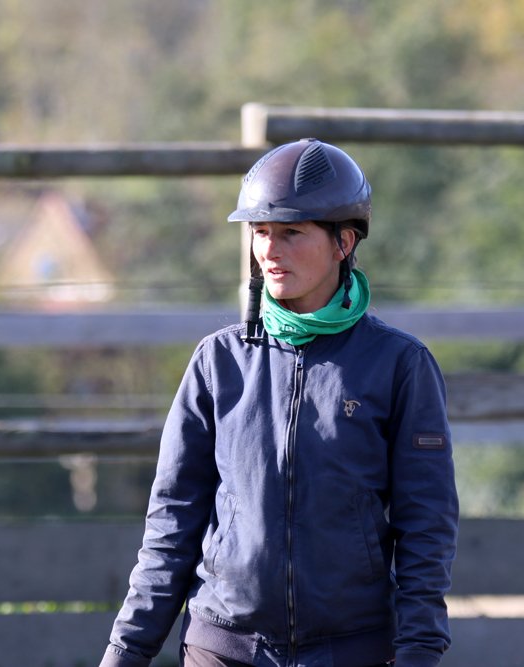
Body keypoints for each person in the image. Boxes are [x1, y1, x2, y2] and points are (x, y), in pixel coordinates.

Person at [100, 139, 458, 667]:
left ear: (343, 242)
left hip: (352, 651)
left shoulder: (401, 365)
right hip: (222, 648)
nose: (269, 250)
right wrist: (125, 652)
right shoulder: (217, 362)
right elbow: (172, 521)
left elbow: (426, 525)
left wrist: (419, 653)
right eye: (261, 232)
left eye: (291, 232)